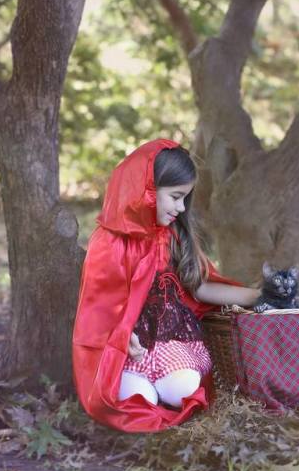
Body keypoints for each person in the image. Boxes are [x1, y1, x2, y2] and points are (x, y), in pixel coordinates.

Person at [72, 138, 260, 433]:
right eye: (175, 196)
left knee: (182, 390)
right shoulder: (108, 243)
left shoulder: (171, 237)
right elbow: (99, 306)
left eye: (185, 198)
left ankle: (164, 395)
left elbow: (200, 287)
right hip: (130, 353)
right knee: (136, 402)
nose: (181, 207)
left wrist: (259, 295)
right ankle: (149, 395)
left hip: (172, 343)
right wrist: (121, 335)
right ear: (147, 188)